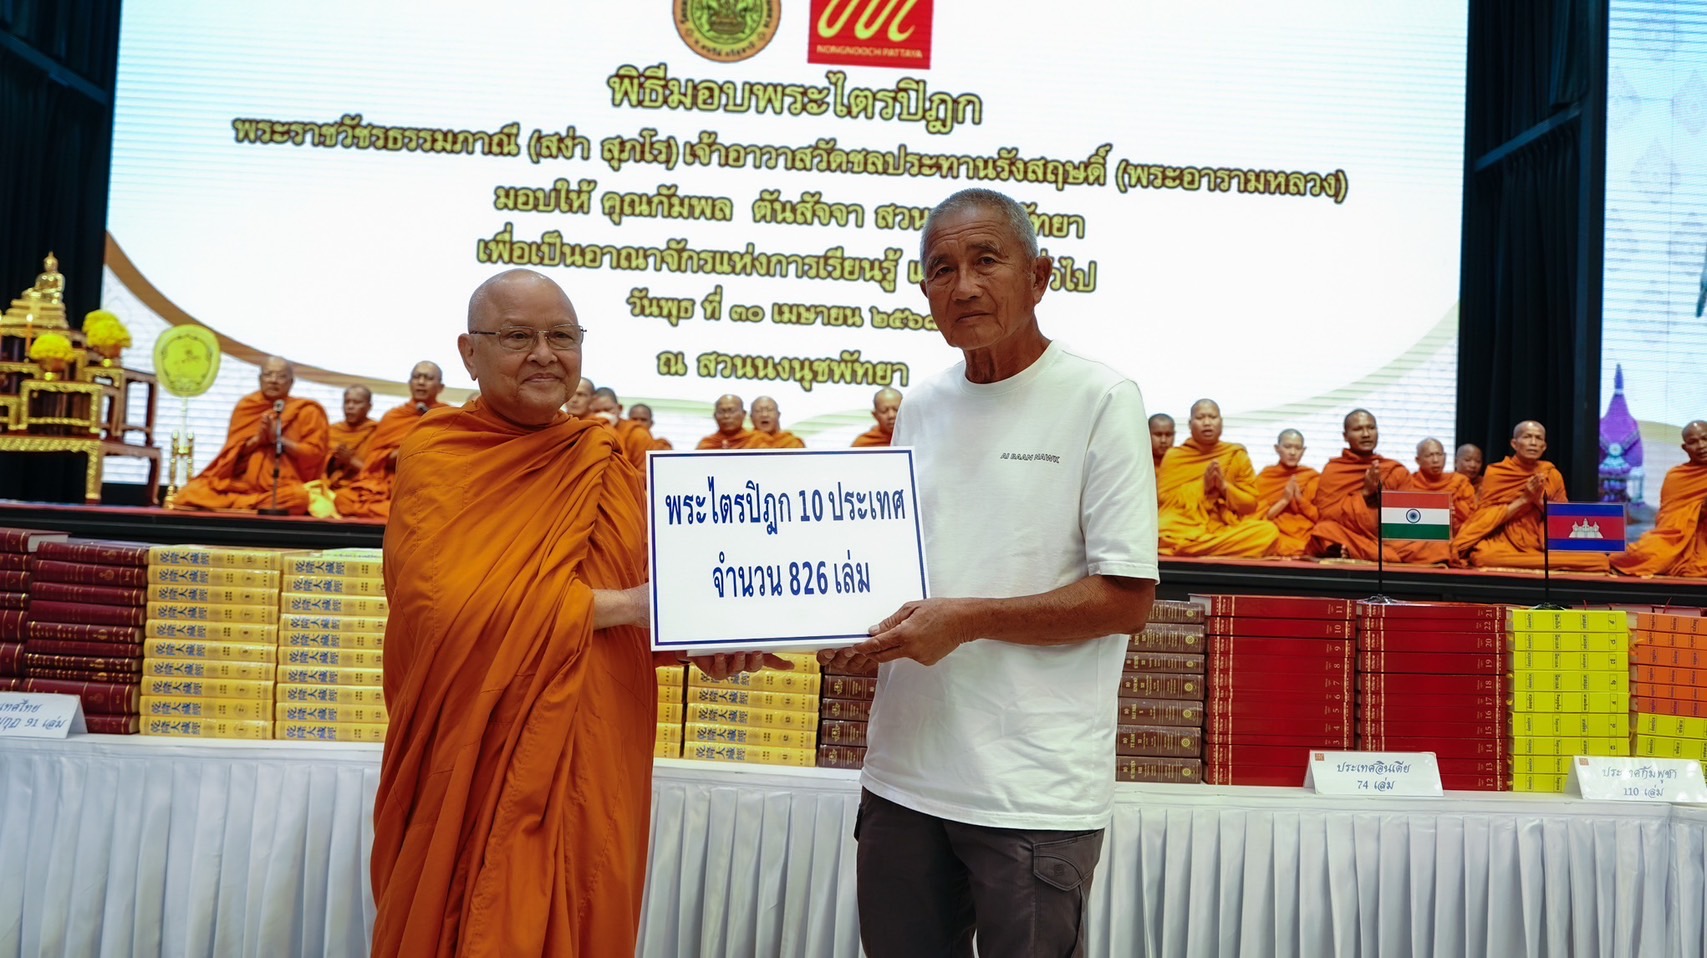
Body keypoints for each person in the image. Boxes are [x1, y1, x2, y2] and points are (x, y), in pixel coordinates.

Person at [371, 269, 781, 957]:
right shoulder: (438, 455)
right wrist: (632, 607)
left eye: (561, 336)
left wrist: (703, 640)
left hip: (597, 746)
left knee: (588, 911)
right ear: (469, 354)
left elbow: (642, 598)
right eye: (516, 337)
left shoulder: (604, 458)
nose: (543, 354)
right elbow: (445, 609)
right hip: (476, 748)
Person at [819, 188, 1157, 958]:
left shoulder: (1100, 398)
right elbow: (904, 569)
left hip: (1030, 791)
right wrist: (853, 632)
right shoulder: (923, 404)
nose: (963, 284)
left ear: (1039, 276)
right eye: (940, 269)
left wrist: (967, 620)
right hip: (904, 777)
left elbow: (1126, 599)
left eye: (985, 260)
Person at [172, 356, 329, 514]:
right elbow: (230, 458)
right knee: (190, 492)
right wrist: (258, 440)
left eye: (281, 376)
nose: (273, 380)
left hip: (281, 487)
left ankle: (238, 506)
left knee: (299, 497)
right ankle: (251, 506)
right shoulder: (247, 406)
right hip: (242, 485)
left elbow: (314, 455)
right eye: (268, 375)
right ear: (260, 379)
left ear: (291, 382)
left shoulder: (307, 411)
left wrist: (279, 441)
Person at [1452, 420, 1610, 571]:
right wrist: (1524, 500)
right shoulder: (1497, 473)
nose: (1533, 442)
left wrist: (1538, 501)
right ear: (1514, 444)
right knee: (1483, 557)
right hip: (1504, 542)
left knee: (1599, 560)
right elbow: (1483, 518)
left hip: (1540, 541)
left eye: (1538, 438)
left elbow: (1563, 520)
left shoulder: (1552, 474)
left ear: (1544, 446)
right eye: (1527, 437)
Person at [1156, 399, 1278, 557]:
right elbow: (1165, 500)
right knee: (1162, 530)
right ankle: (1209, 550)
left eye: (1212, 417)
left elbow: (1250, 505)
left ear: (1221, 422)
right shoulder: (1175, 456)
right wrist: (1203, 487)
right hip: (1184, 525)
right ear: (1189, 423)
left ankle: (1189, 549)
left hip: (1222, 528)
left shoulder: (1236, 455)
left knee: (1268, 532)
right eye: (1200, 418)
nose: (1207, 423)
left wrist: (1224, 487)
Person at [332, 362, 450, 520]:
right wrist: (401, 454)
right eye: (417, 377)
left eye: (428, 378)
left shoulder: (448, 416)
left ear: (441, 387)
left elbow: (452, 457)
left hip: (431, 482)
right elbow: (374, 460)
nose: (421, 382)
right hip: (393, 482)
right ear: (410, 383)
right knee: (344, 499)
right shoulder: (394, 417)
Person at [1307, 409, 1410, 561]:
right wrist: (1365, 493)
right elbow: (1327, 514)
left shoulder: (1395, 470)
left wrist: (1384, 496)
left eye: (1371, 428)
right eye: (1358, 429)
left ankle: (1357, 552)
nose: (1366, 434)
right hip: (1352, 535)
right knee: (1324, 531)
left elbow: (1409, 517)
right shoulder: (1335, 470)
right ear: (1345, 436)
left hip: (1387, 539)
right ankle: (1377, 554)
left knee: (1435, 542)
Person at [1614, 421, 1707, 577]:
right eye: (1693, 442)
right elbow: (1667, 520)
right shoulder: (1676, 476)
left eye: (1705, 439)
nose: (1701, 445)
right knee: (1647, 552)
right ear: (1685, 448)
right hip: (1677, 539)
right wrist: (1700, 509)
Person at [1395, 437, 1478, 564]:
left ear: (1445, 456)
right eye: (1429, 455)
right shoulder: (1409, 483)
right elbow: (1402, 522)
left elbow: (1473, 519)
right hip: (1420, 537)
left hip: (1452, 536)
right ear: (1418, 460)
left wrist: (1454, 514)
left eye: (1439, 455)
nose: (1435, 460)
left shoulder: (1459, 482)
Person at [1255, 428, 1319, 557]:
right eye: (1287, 447)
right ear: (1277, 449)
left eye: (1297, 448)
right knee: (1265, 535)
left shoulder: (1312, 477)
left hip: (1304, 530)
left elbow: (1319, 516)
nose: (1292, 452)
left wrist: (1300, 500)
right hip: (1278, 530)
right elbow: (1260, 517)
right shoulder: (1266, 477)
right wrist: (1284, 500)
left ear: (1303, 451)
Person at [589, 386, 657, 469]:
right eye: (597, 411)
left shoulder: (638, 434)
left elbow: (645, 472)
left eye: (607, 410)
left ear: (620, 408)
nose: (602, 415)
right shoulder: (589, 432)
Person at [325, 385, 378, 488]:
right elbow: (320, 468)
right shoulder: (332, 431)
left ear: (369, 406)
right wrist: (335, 462)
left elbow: (377, 472)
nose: (350, 406)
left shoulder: (377, 432)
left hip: (364, 487)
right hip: (332, 486)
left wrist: (350, 461)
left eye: (357, 402)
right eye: (347, 402)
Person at [695, 394, 766, 449]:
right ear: (715, 416)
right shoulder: (707, 444)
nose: (726, 416)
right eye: (721, 411)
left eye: (731, 411)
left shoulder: (757, 440)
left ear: (744, 414)